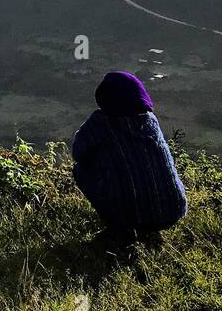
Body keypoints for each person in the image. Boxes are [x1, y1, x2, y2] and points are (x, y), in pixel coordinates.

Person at [71, 70, 187, 244]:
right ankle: (150, 231)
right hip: (173, 210)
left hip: (130, 213)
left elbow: (78, 152)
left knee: (80, 170)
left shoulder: (100, 123)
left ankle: (119, 227)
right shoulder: (151, 120)